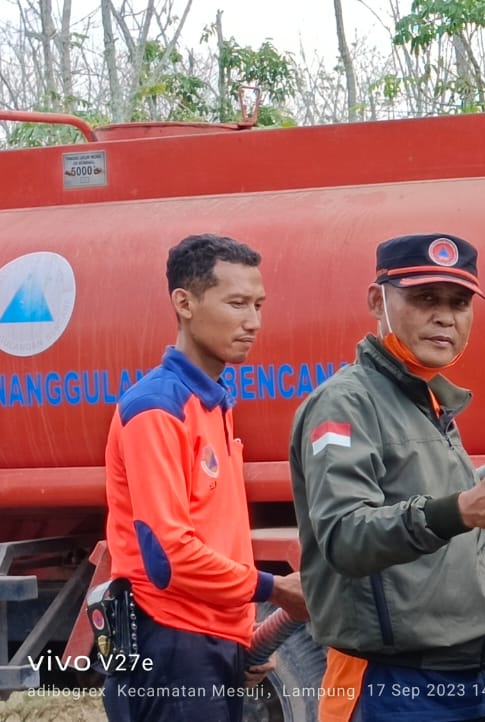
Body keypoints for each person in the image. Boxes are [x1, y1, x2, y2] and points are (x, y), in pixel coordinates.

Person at [289, 233, 485, 722]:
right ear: (377, 300)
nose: (446, 316)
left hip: (468, 676)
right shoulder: (345, 404)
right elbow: (346, 536)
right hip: (389, 685)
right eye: (424, 299)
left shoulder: (430, 402)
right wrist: (462, 509)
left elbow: (432, 542)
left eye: (459, 303)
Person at [102, 234, 308, 722]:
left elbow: (216, 541)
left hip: (204, 646)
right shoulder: (157, 408)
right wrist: (274, 590)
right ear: (185, 303)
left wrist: (241, 640)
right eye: (236, 303)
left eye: (258, 305)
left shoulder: (211, 403)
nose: (253, 322)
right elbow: (169, 559)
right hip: (169, 648)